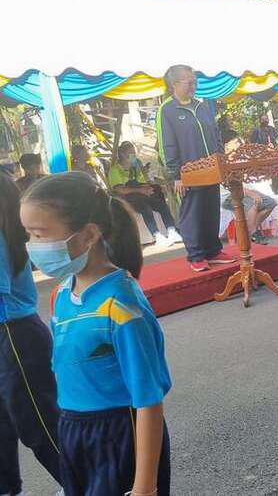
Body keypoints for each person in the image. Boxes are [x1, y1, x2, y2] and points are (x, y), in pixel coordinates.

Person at [20, 172, 172, 495]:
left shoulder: (121, 306)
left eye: (40, 234)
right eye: (28, 234)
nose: (31, 246)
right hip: (74, 430)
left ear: (88, 234)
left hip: (120, 436)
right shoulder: (62, 294)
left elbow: (148, 401)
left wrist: (145, 487)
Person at [0, 173, 62, 496]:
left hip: (15, 339)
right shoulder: (8, 228)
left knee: (40, 427)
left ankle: (85, 484)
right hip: (14, 336)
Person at [157, 64, 235, 272]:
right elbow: (167, 145)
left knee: (211, 209)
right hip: (188, 174)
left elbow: (216, 135)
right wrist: (176, 175)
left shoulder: (202, 106)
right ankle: (196, 255)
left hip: (212, 169)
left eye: (195, 82)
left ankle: (213, 251)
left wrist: (221, 162)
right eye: (189, 82)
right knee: (192, 213)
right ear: (174, 84)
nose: (194, 86)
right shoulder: (167, 110)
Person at [108, 142, 181, 248]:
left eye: (134, 152)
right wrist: (140, 190)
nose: (134, 155)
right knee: (145, 209)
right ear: (123, 154)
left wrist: (149, 186)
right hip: (127, 199)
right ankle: (157, 236)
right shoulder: (114, 170)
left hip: (140, 194)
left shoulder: (134, 167)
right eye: (131, 153)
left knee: (161, 205)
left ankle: (172, 231)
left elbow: (141, 182)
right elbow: (120, 190)